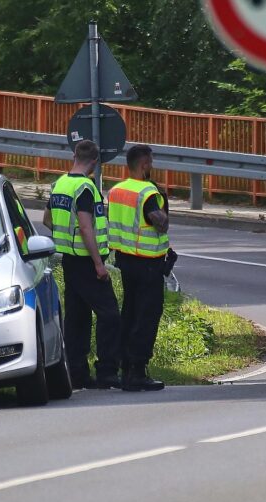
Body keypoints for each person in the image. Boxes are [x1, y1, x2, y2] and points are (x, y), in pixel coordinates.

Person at [42, 140, 121, 389]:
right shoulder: (85, 188)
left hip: (69, 260)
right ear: (95, 162)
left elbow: (47, 220)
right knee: (110, 315)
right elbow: (86, 227)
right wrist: (99, 264)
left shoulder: (60, 184)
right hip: (87, 262)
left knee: (77, 318)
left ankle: (77, 373)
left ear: (74, 156)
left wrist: (66, 236)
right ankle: (107, 371)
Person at [107, 144, 169, 392]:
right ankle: (138, 370)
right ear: (144, 165)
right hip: (148, 263)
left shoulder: (117, 190)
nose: (152, 166)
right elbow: (161, 224)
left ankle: (125, 368)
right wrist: (163, 203)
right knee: (146, 316)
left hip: (125, 260)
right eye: (151, 162)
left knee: (130, 312)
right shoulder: (148, 193)